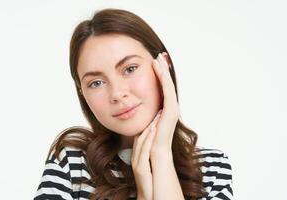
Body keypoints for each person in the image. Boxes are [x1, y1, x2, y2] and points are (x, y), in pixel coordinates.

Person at [34, 8, 233, 200]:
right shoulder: (71, 164)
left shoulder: (211, 169)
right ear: (82, 93)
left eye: (130, 69)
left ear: (163, 66)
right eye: (96, 83)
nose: (117, 94)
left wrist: (161, 155)